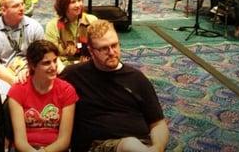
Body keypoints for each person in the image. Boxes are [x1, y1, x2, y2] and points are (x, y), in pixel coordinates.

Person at [61, 20, 169, 152]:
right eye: (104, 48)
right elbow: (44, 86)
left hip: (142, 144)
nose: (112, 52)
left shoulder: (137, 78)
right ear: (91, 51)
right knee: (129, 144)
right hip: (98, 145)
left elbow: (157, 123)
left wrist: (158, 147)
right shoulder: (73, 75)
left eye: (115, 45)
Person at [8, 40, 78, 152]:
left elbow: (64, 140)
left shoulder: (66, 90)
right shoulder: (18, 90)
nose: (53, 67)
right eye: (46, 63)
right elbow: (20, 141)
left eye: (55, 61)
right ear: (32, 66)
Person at [0, 0, 44, 86]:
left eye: (22, 4)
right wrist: (16, 81)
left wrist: (29, 72)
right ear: (3, 10)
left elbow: (41, 56)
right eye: (16, 6)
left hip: (30, 71)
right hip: (4, 76)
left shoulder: (34, 27)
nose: (22, 8)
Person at [44, 0, 98, 69]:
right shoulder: (53, 26)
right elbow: (50, 54)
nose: (78, 5)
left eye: (79, 0)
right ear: (64, 5)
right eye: (72, 2)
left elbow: (99, 48)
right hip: (64, 68)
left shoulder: (91, 21)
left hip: (88, 66)